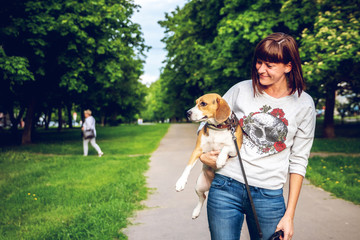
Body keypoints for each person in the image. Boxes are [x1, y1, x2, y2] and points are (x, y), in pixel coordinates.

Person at [199, 33, 316, 240]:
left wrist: (289, 215)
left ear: (288, 66)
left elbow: (299, 160)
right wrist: (203, 155)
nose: (261, 69)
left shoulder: (304, 104)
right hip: (226, 186)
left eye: (269, 65)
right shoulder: (241, 90)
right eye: (259, 62)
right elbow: (206, 121)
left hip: (268, 195)